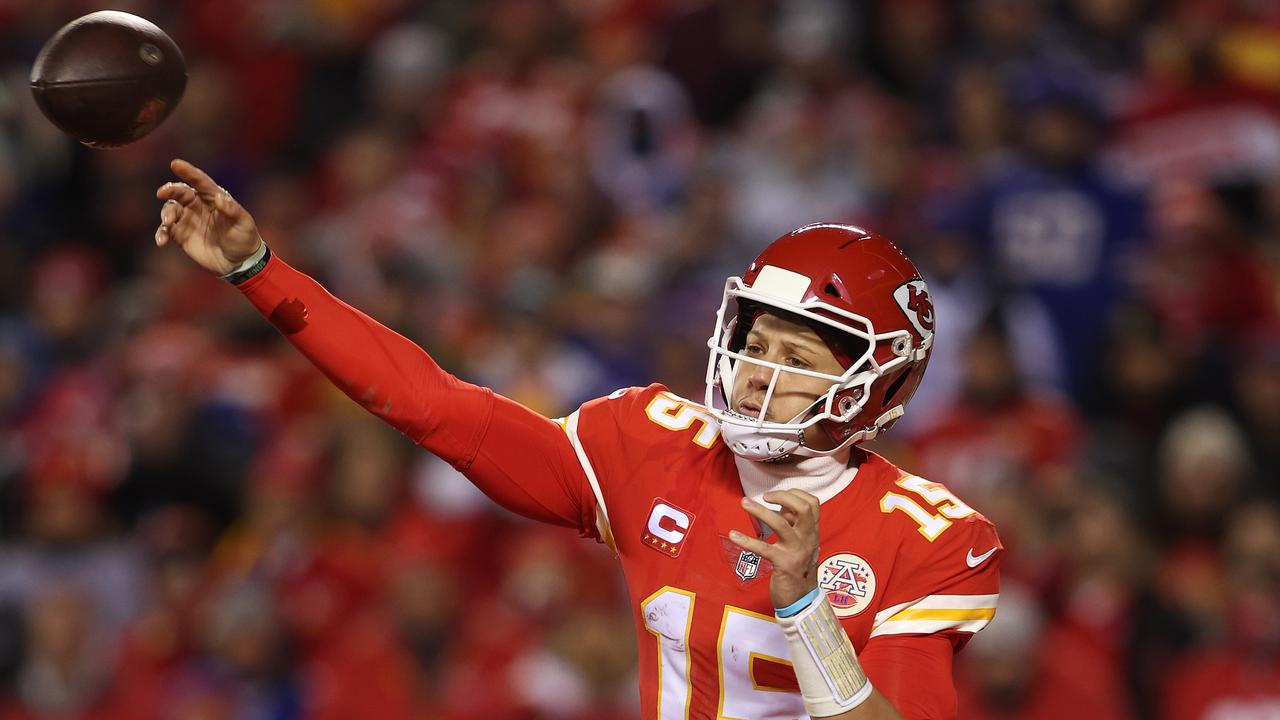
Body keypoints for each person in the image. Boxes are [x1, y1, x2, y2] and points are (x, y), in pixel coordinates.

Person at [153, 158, 1001, 720]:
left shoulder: (931, 538)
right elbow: (433, 406)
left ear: (880, 385)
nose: (757, 372)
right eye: (755, 342)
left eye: (797, 355)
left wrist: (808, 606)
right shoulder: (653, 443)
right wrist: (260, 270)